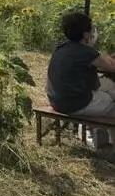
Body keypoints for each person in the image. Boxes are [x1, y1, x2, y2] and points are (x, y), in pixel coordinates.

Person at [47, 11, 115, 146]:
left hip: (56, 100)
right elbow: (111, 66)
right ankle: (109, 144)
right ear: (85, 34)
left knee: (107, 85)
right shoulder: (86, 52)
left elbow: (100, 60)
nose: (93, 33)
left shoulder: (62, 48)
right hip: (75, 104)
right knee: (111, 101)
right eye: (91, 29)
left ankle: (100, 138)